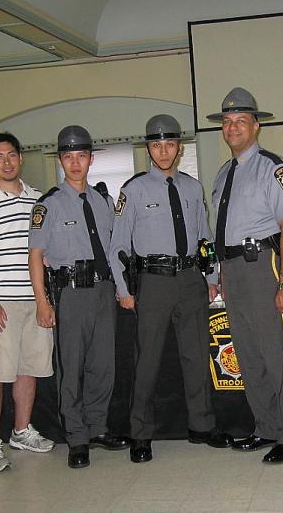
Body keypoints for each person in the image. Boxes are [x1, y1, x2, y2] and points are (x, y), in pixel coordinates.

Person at [109, 114, 232, 463]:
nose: (163, 150)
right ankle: (140, 433)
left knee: (195, 355)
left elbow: (205, 238)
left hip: (191, 279)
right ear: (148, 148)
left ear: (179, 148)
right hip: (153, 283)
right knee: (147, 359)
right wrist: (124, 288)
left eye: (170, 144)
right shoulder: (132, 191)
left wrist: (210, 278)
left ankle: (201, 426)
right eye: (156, 144)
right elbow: (118, 245)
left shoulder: (192, 187)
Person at [209, 87, 283, 464]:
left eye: (241, 121)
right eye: (227, 122)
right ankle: (265, 426)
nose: (233, 128)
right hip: (232, 271)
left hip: (263, 267)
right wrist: (216, 274)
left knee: (277, 353)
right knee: (248, 357)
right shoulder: (222, 174)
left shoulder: (274, 168)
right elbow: (220, 230)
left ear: (256, 125)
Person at [28, 125, 127, 469]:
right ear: (60, 160)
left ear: (90, 160)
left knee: (103, 364)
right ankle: (77, 436)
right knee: (72, 368)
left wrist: (120, 287)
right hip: (70, 293)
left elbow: (113, 249)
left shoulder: (102, 201)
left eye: (81, 156)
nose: (75, 163)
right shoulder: (48, 205)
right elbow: (36, 255)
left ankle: (98, 427)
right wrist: (42, 301)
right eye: (68, 157)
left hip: (103, 290)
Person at [0, 133, 54, 473]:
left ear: (21, 158)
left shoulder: (38, 199)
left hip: (34, 300)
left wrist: (43, 297)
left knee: (28, 369)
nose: (7, 161)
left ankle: (21, 431)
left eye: (12, 155)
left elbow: (44, 249)